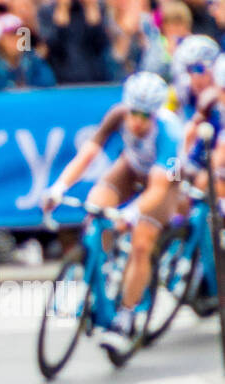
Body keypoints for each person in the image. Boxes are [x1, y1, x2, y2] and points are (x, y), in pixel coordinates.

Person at [41, 72, 180, 351]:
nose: (137, 121)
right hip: (132, 167)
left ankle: (126, 316)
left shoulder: (169, 131)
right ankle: (99, 270)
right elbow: (88, 154)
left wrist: (131, 212)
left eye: (145, 116)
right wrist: (58, 187)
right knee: (96, 207)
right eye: (133, 113)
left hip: (164, 182)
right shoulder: (117, 115)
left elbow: (157, 189)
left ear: (155, 114)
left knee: (141, 242)